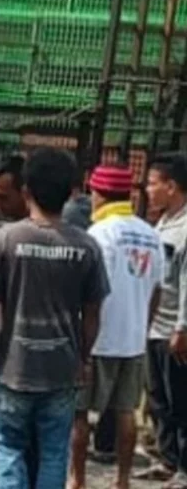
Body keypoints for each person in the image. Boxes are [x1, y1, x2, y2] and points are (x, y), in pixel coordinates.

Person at [0, 147, 110, 489]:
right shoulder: (87, 247)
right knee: (53, 453)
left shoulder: (5, 239)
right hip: (62, 370)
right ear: (71, 192)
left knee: (7, 447)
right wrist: (83, 357)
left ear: (26, 190)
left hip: (13, 368)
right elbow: (93, 313)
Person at [68, 164, 163, 489]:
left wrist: (83, 339)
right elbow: (157, 290)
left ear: (99, 194)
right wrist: (142, 328)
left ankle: (77, 479)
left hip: (99, 339)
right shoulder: (151, 234)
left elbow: (90, 294)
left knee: (79, 413)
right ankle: (122, 480)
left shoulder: (99, 234)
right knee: (126, 412)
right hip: (133, 340)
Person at [142, 153, 187, 486]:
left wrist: (182, 327)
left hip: (174, 329)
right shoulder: (162, 224)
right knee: (158, 398)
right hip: (154, 326)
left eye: (152, 183)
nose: (147, 190)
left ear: (171, 186)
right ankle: (168, 459)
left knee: (180, 400)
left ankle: (184, 467)